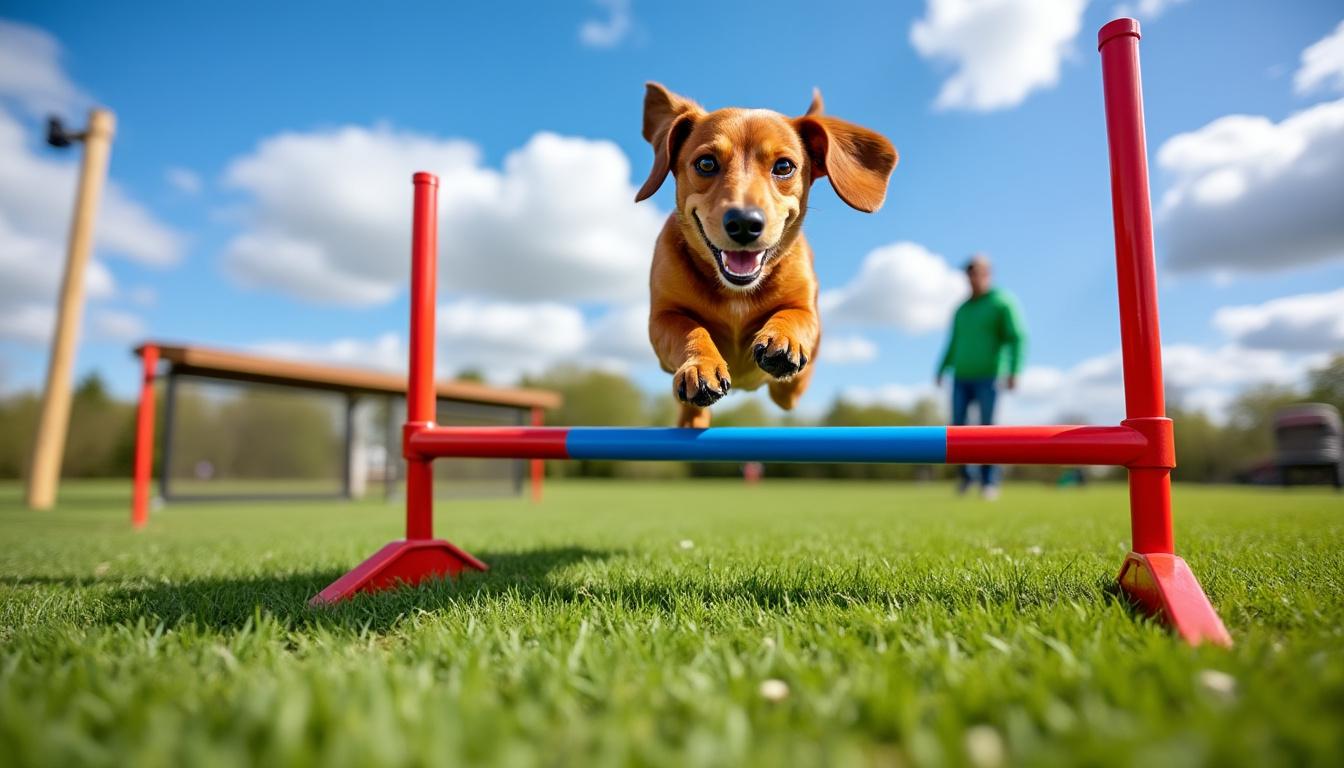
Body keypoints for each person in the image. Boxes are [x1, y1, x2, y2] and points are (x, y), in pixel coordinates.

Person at [936, 254, 1027, 500]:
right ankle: (966, 479)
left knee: (988, 430)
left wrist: (1014, 370)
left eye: (979, 272)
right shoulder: (962, 309)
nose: (974, 277)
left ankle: (989, 482)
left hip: (990, 375)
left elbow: (1016, 337)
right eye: (970, 272)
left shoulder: (1001, 303)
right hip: (961, 376)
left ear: (989, 274)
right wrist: (941, 368)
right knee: (957, 428)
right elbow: (953, 342)